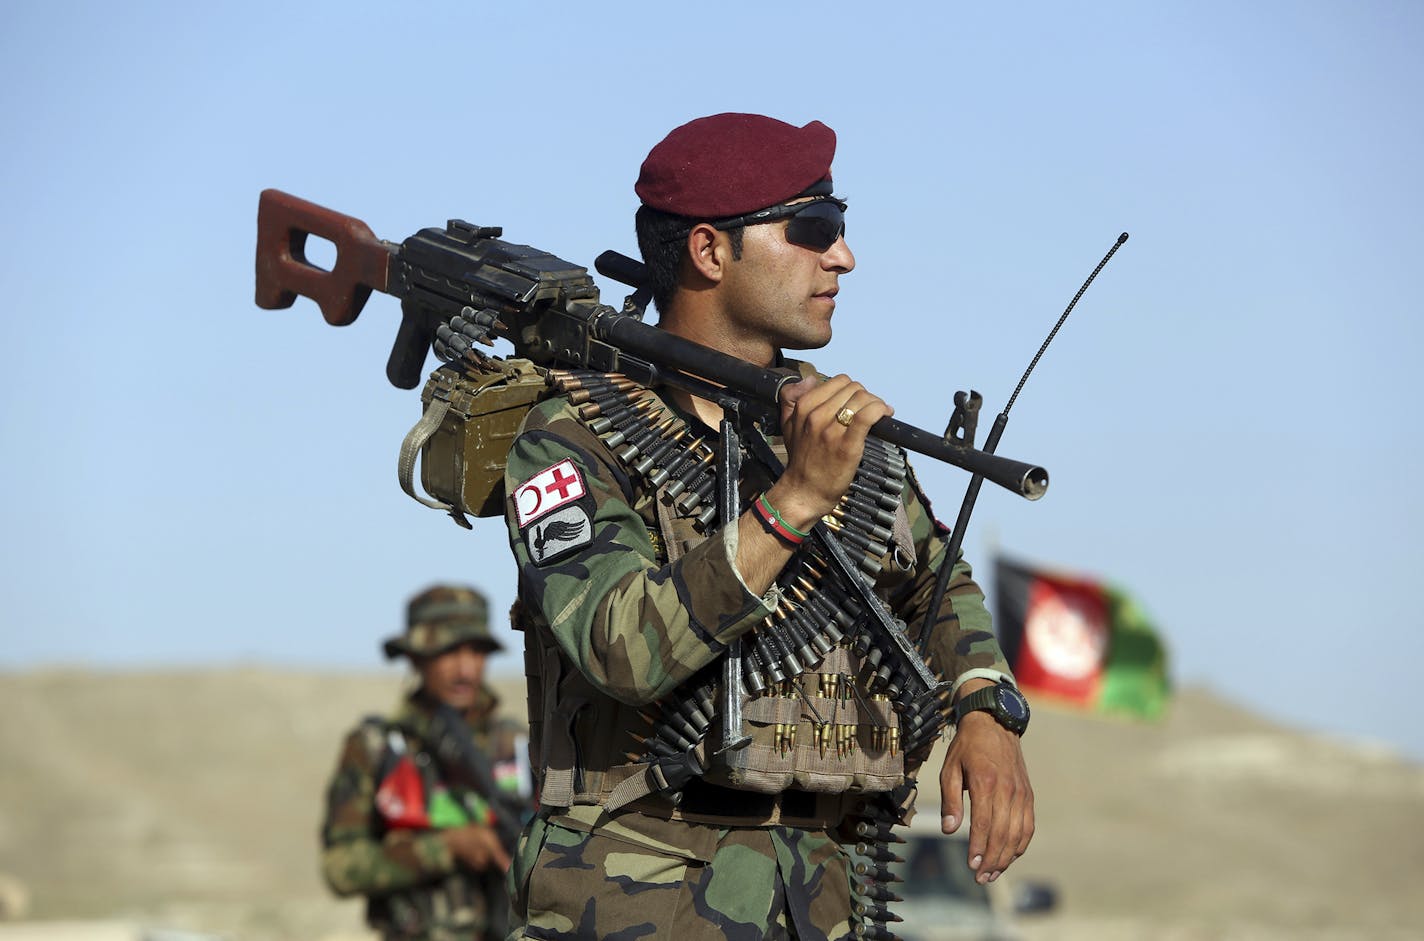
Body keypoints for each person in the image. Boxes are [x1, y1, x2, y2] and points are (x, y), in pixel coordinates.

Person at [501, 112, 1034, 940]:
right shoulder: (573, 435)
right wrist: (791, 503)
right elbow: (620, 643)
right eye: (813, 230)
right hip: (635, 892)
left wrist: (983, 705)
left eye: (841, 228)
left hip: (824, 888)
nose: (843, 257)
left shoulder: (834, 427)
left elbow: (937, 576)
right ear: (711, 252)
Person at [321, 584, 531, 941]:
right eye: (449, 651)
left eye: (477, 652)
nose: (465, 670)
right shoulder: (377, 749)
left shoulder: (516, 745)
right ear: (417, 657)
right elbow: (340, 868)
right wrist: (446, 848)